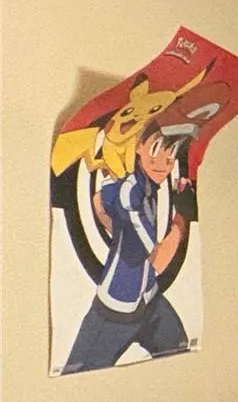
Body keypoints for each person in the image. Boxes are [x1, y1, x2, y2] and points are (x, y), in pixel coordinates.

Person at [60, 120, 191, 373]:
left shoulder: (144, 186)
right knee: (76, 376)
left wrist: (121, 232)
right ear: (140, 146)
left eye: (171, 153)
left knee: (182, 355)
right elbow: (157, 261)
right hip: (114, 315)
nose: (164, 161)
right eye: (157, 149)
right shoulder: (130, 195)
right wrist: (182, 220)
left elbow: (99, 202)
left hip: (150, 304)